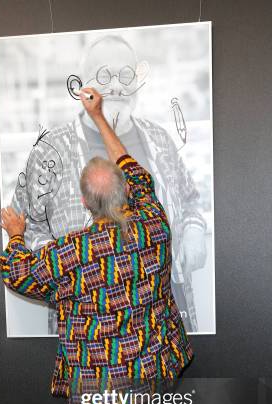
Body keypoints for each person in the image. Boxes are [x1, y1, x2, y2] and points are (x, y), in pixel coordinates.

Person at [0, 87, 194, 404]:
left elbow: (18, 273)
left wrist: (17, 233)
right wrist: (100, 116)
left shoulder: (75, 251)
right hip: (150, 371)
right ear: (129, 192)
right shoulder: (153, 223)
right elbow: (131, 164)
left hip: (97, 381)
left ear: (85, 202)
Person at [11, 34, 207, 333]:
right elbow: (28, 224)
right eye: (104, 74)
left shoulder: (159, 140)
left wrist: (193, 231)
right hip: (87, 324)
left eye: (126, 74)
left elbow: (191, 199)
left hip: (160, 321)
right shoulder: (50, 151)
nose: (116, 84)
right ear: (82, 86)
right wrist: (67, 265)